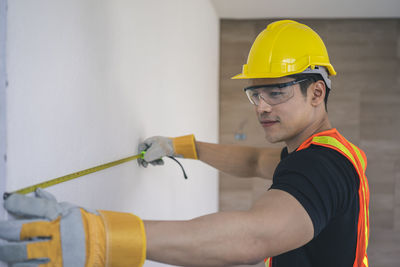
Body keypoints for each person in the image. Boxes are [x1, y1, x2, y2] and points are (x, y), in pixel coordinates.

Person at [0, 20, 369, 267]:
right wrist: (183, 147)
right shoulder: (324, 150)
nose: (262, 106)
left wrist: (104, 236)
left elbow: (255, 235)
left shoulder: (322, 166)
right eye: (255, 93)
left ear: (316, 92)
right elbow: (255, 160)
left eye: (276, 91)